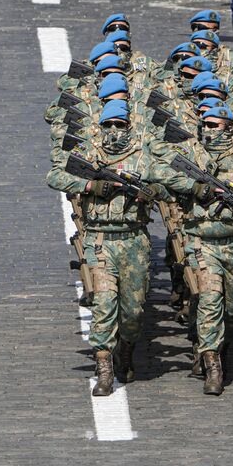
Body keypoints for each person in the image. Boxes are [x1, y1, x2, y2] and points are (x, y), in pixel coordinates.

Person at [47, 99, 163, 396]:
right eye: (107, 124)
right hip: (99, 240)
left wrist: (151, 191)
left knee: (133, 311)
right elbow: (56, 176)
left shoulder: (142, 156)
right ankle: (104, 370)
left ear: (128, 126)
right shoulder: (88, 153)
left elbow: (169, 183)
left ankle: (126, 350)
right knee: (103, 305)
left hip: (133, 240)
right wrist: (90, 186)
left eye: (119, 124)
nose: (113, 129)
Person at [146, 103, 233, 395]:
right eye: (205, 125)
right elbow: (156, 171)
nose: (208, 130)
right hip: (200, 241)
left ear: (229, 127)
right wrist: (194, 187)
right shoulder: (190, 152)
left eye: (214, 125)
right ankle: (213, 366)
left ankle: (216, 347)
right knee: (210, 301)